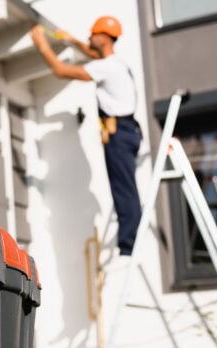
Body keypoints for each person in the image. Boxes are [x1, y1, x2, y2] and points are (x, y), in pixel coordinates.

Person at [31, 16, 142, 257]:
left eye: (92, 35)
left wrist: (41, 44)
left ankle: (128, 247)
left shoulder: (107, 67)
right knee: (126, 187)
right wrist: (71, 39)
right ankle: (130, 242)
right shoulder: (117, 64)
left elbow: (61, 71)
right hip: (128, 131)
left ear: (103, 38)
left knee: (123, 189)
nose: (89, 39)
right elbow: (93, 55)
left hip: (118, 134)